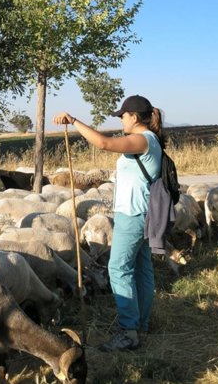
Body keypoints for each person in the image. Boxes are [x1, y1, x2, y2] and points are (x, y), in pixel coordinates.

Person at [53, 94, 164, 352]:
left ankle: (128, 332)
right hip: (144, 212)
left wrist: (74, 120)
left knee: (118, 269)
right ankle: (141, 324)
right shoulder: (151, 140)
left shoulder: (142, 139)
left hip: (133, 214)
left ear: (134, 117)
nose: (121, 120)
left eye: (123, 116)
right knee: (141, 268)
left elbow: (103, 143)